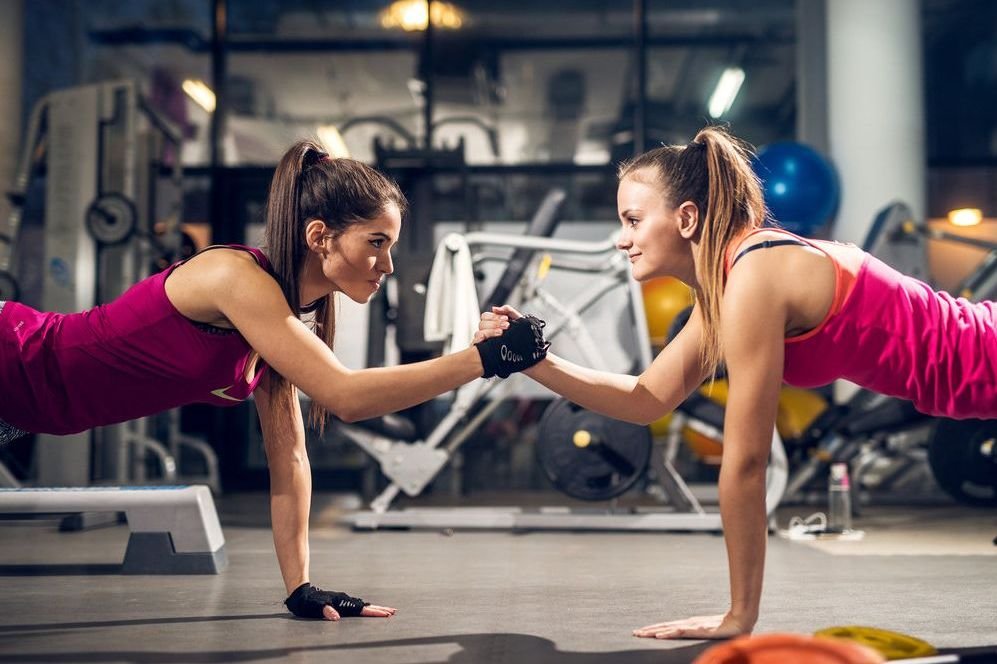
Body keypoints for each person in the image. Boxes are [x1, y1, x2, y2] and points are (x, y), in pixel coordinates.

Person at [476, 125, 997, 640]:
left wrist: (739, 617)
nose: (623, 239)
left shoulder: (754, 277)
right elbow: (646, 399)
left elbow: (747, 463)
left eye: (633, 221)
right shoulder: (730, 282)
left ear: (685, 218)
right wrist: (533, 360)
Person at [0, 139, 549, 621]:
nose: (387, 266)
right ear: (320, 236)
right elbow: (347, 396)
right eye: (377, 243)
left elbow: (289, 460)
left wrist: (300, 588)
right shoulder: (234, 277)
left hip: (22, 413)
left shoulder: (277, 322)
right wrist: (486, 358)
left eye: (392, 246)